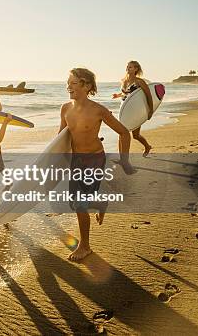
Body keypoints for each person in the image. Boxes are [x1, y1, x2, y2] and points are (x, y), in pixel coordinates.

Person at [60, 68, 135, 261]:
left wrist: (124, 160)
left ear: (87, 86)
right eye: (68, 82)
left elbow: (124, 132)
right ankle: (100, 203)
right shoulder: (65, 109)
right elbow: (61, 138)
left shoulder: (98, 110)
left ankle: (85, 246)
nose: (69, 86)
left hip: (94, 160)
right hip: (76, 161)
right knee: (73, 203)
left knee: (79, 204)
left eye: (74, 83)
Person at [112, 60, 153, 156]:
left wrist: (150, 111)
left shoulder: (140, 82)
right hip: (124, 110)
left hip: (135, 111)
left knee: (135, 135)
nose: (128, 68)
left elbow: (148, 95)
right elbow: (126, 93)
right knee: (121, 133)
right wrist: (118, 95)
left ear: (136, 69)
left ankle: (147, 146)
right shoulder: (124, 81)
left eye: (130, 67)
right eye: (127, 66)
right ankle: (122, 158)